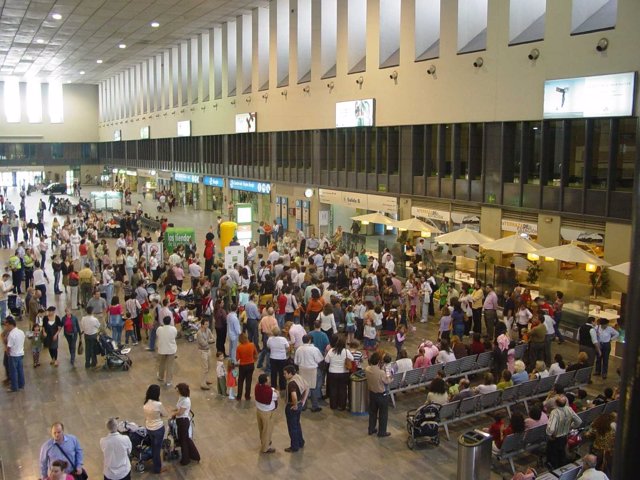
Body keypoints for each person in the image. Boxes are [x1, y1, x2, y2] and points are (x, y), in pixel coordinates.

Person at [546, 395, 582, 468]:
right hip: (565, 436)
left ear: (556, 403)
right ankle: (562, 467)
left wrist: (549, 435)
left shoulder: (554, 412)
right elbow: (579, 421)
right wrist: (571, 426)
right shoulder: (569, 409)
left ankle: (554, 469)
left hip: (555, 438)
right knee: (562, 453)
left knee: (554, 455)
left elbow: (551, 428)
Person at [294, 334, 324, 412]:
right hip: (312, 370)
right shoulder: (314, 349)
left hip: (302, 370)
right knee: (313, 388)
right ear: (310, 340)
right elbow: (319, 360)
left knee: (304, 388)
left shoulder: (299, 349)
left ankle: (303, 405)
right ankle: (315, 406)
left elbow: (296, 362)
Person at [172, 383, 201, 466]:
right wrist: (173, 410)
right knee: (185, 439)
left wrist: (173, 414)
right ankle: (194, 455)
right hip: (180, 421)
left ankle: (186, 459)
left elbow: (181, 412)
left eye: (177, 390)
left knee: (183, 441)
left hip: (183, 421)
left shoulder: (186, 400)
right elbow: (179, 408)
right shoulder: (181, 397)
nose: (176, 392)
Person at [283, 364, 308, 453]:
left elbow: (293, 395)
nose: (284, 375)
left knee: (292, 427)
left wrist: (295, 404)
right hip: (299, 405)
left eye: (285, 373)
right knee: (297, 424)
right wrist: (303, 401)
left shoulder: (291, 384)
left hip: (292, 407)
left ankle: (294, 446)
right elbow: (306, 387)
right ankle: (300, 442)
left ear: (290, 374)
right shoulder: (298, 377)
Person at [325, 336, 354, 410]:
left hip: (332, 372)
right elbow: (352, 358)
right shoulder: (346, 351)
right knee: (343, 389)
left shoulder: (331, 351)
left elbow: (327, 360)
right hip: (344, 373)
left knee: (333, 389)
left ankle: (333, 405)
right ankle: (342, 406)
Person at [255, 373, 279, 454]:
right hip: (267, 413)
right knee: (267, 430)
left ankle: (264, 442)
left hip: (259, 411)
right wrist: (275, 391)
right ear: (265, 383)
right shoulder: (270, 392)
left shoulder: (257, 386)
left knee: (261, 429)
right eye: (268, 381)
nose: (270, 382)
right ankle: (266, 448)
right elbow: (277, 395)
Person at [156, 316, 177, 386]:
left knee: (161, 364)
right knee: (170, 366)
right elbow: (175, 336)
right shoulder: (173, 329)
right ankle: (168, 381)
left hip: (162, 349)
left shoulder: (159, 329)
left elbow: (157, 335)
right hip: (171, 349)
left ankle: (161, 377)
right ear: (170, 321)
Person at [5, 316, 25, 392]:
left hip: (13, 355)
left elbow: (9, 346)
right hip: (20, 353)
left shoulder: (11, 334)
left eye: (7, 325)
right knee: (20, 370)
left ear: (11, 325)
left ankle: (14, 387)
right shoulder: (21, 332)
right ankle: (21, 384)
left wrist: (7, 353)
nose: (6, 327)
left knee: (13, 372)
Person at [236, 332, 258, 401]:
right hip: (251, 365)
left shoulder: (239, 347)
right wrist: (253, 360)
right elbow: (256, 354)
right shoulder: (252, 345)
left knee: (240, 381)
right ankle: (247, 396)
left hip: (242, 366)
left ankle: (239, 396)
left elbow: (237, 358)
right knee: (249, 381)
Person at [196, 319, 215, 390]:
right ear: (202, 325)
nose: (207, 325)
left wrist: (209, 341)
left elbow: (213, 338)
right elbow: (203, 343)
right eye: (206, 324)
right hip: (202, 351)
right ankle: (203, 384)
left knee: (209, 367)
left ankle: (206, 380)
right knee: (205, 368)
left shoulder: (208, 330)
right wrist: (209, 341)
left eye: (208, 324)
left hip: (208, 350)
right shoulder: (199, 333)